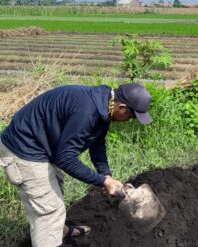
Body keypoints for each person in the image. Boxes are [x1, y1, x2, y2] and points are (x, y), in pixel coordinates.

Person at [0, 83, 153, 247]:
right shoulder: (88, 112)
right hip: (23, 149)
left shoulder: (105, 104)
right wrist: (103, 182)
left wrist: (106, 174)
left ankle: (59, 231)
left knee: (55, 186)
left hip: (40, 145)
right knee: (48, 210)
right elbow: (65, 158)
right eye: (131, 117)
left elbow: (97, 143)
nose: (128, 121)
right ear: (122, 107)